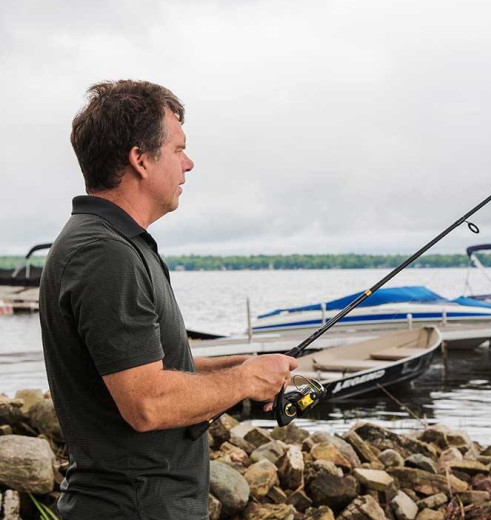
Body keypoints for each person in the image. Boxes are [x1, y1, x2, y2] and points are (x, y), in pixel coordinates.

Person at [39, 80, 298, 519]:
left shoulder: (115, 242)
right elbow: (146, 403)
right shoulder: (104, 254)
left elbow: (151, 371)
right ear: (140, 159)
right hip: (134, 507)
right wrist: (245, 382)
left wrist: (244, 368)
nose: (189, 163)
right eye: (179, 149)